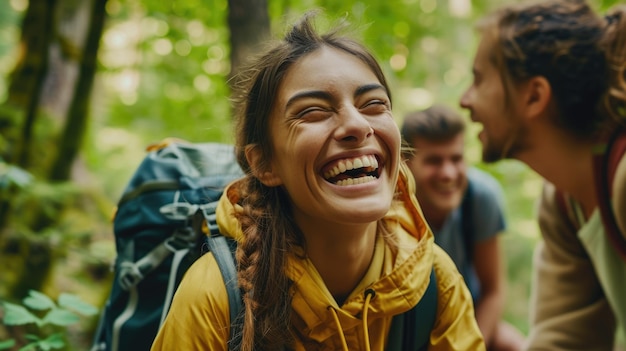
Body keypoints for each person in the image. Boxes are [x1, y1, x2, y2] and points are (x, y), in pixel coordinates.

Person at [150, 11, 484, 351]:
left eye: (373, 104)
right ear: (265, 164)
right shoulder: (213, 298)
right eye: (313, 111)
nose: (357, 125)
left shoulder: (433, 283)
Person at [460, 0, 626, 349]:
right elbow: (564, 338)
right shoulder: (564, 204)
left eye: (479, 79)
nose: (465, 100)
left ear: (534, 96)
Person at [401, 104, 526, 351]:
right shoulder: (390, 209)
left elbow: (493, 290)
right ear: (407, 163)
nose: (448, 173)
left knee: (513, 344)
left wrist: (471, 345)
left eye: (456, 159)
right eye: (434, 161)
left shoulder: (481, 197)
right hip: (407, 327)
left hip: (465, 320)